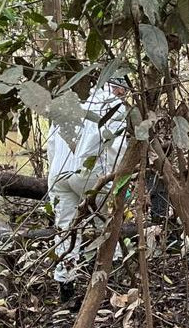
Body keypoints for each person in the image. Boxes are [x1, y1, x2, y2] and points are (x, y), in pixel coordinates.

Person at [47, 77, 130, 301]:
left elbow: (52, 145)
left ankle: (66, 287)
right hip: (89, 174)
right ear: (119, 88)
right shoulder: (114, 107)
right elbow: (116, 151)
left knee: (66, 229)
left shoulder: (73, 102)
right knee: (108, 224)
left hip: (59, 174)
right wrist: (119, 184)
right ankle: (112, 283)